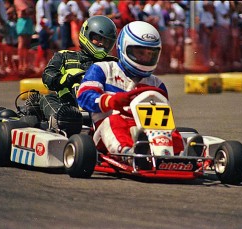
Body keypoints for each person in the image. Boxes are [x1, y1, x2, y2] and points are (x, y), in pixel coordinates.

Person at [77, 21, 184, 161]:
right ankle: (129, 154)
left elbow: (162, 117)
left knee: (171, 131)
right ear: (124, 48)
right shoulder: (103, 69)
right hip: (106, 133)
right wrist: (110, 101)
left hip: (148, 131)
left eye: (150, 54)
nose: (145, 58)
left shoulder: (157, 84)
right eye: (140, 53)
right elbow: (84, 96)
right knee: (113, 122)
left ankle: (181, 154)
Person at [39, 15, 118, 137]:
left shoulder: (113, 63)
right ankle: (59, 126)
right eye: (98, 39)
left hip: (103, 109)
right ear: (87, 35)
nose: (102, 44)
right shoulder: (65, 56)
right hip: (70, 109)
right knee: (46, 98)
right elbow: (48, 76)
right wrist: (66, 79)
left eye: (106, 41)